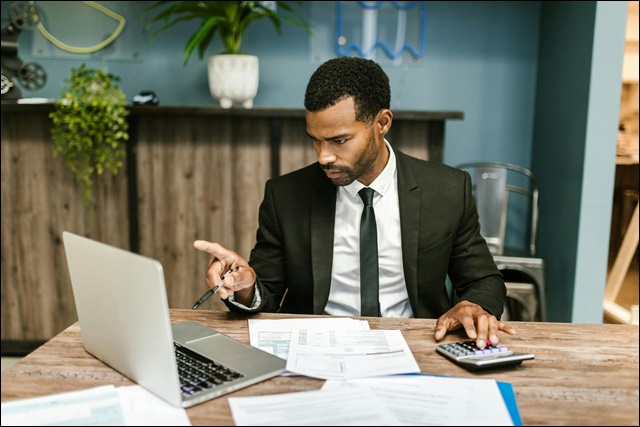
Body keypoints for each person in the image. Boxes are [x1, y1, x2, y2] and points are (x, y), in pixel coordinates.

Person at [194, 56, 515, 348]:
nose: (324, 156)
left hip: (417, 345)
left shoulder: (446, 190)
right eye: (315, 141)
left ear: (382, 123)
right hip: (316, 350)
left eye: (339, 140)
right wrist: (245, 286)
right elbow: (266, 295)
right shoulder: (286, 196)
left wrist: (475, 305)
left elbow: (483, 279)